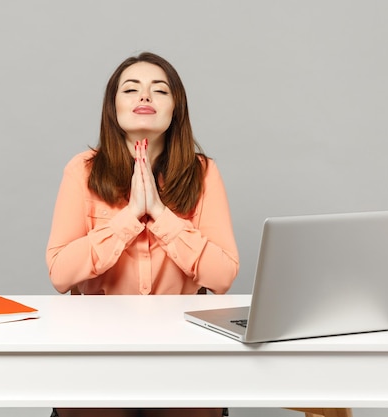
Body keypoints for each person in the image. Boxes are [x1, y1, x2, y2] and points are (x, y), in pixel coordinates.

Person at [46, 52, 239, 417]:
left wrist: (161, 215)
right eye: (131, 89)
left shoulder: (203, 173)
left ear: (174, 110)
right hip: (96, 345)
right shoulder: (81, 171)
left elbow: (224, 274)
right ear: (113, 109)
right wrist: (130, 216)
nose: (145, 97)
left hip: (184, 346)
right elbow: (60, 273)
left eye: (159, 90)